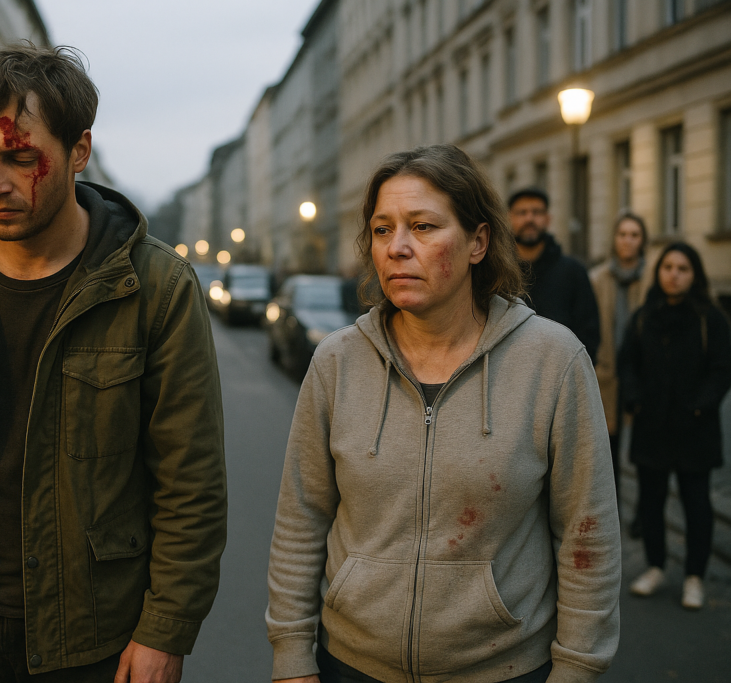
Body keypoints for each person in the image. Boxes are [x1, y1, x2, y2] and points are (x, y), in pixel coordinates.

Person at [0, 44, 227, 683]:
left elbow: (190, 481)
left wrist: (166, 628)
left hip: (91, 639)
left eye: (21, 158)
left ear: (78, 152)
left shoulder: (156, 289)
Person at [266, 145, 620, 683]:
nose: (398, 248)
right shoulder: (337, 362)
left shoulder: (552, 360)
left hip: (503, 668)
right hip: (352, 665)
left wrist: (577, 669)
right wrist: (292, 655)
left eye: (423, 227)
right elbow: (301, 517)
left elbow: (586, 532)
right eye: (382, 230)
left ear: (478, 242)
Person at [619, 242, 731, 610]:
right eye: (668, 267)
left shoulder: (709, 319)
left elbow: (721, 369)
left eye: (683, 268)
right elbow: (627, 363)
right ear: (659, 272)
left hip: (695, 429)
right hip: (652, 427)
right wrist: (634, 399)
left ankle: (695, 576)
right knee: (651, 503)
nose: (674, 274)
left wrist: (702, 406)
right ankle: (655, 566)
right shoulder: (643, 317)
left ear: (694, 274)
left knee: (696, 504)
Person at [589, 213, 649, 506]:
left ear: (642, 241)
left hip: (644, 373)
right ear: (614, 239)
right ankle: (612, 509)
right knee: (608, 447)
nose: (628, 240)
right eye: (623, 234)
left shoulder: (653, 278)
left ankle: (643, 510)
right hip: (606, 374)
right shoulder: (597, 278)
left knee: (645, 447)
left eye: (634, 235)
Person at [508, 187, 600, 363]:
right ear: (509, 218)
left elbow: (589, 336)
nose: (530, 218)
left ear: (548, 219)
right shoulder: (496, 272)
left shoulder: (574, 272)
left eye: (537, 212)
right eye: (522, 212)